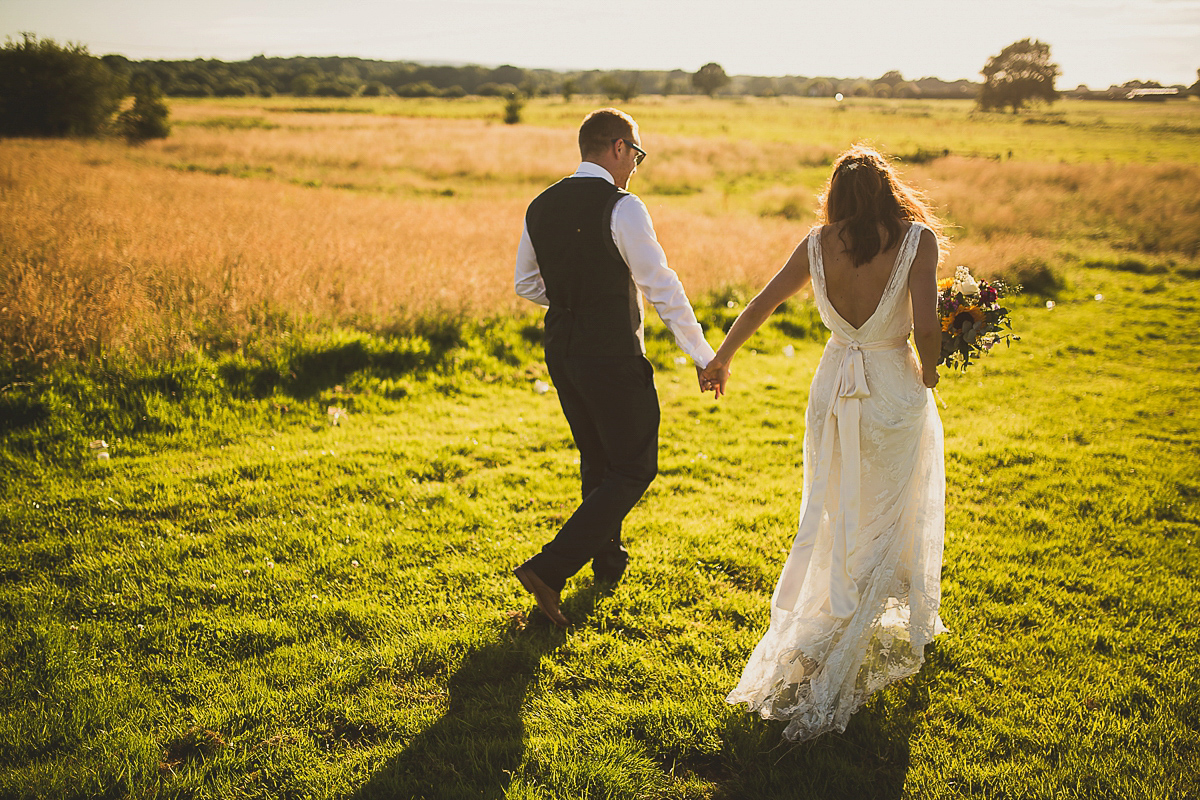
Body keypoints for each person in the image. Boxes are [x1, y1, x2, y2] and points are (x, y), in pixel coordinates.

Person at [700, 145, 948, 742]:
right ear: (889, 190)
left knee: (834, 505)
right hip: (890, 389)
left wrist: (721, 358)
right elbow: (924, 326)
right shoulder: (917, 241)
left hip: (834, 388)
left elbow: (762, 303)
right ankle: (842, 624)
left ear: (836, 195)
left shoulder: (816, 244)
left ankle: (830, 614)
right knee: (889, 512)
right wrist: (935, 370)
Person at [513, 108, 716, 628]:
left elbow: (528, 285)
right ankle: (549, 568)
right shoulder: (622, 207)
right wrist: (704, 355)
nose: (636, 166)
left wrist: (574, 298)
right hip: (611, 354)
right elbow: (661, 286)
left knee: (598, 460)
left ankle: (607, 560)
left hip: (561, 349)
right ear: (619, 148)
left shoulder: (541, 205)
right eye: (637, 154)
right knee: (634, 467)